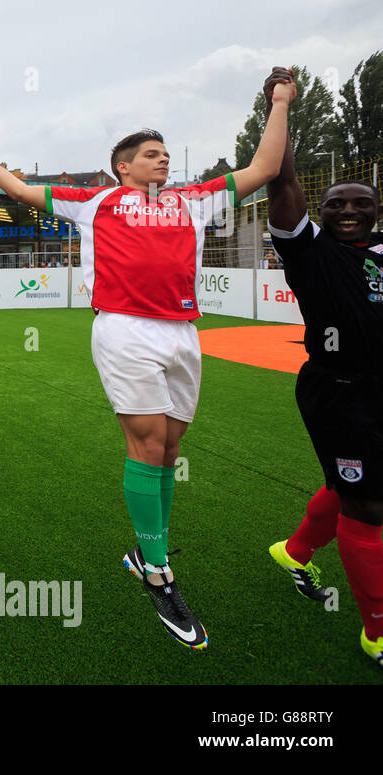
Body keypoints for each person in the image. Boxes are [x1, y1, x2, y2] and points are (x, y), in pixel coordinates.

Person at [0, 73, 296, 649]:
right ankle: (158, 572)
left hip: (182, 334)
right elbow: (21, 191)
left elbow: (265, 166)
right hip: (123, 331)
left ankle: (149, 547)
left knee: (170, 447)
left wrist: (279, 102)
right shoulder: (96, 202)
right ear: (124, 166)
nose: (163, 160)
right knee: (146, 445)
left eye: (166, 153)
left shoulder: (196, 200)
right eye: (151, 154)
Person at [259, 68, 383, 668]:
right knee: (369, 506)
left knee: (355, 488)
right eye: (337, 204)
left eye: (361, 203)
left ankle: (295, 551)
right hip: (338, 393)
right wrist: (280, 107)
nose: (349, 211)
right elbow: (282, 183)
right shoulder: (307, 247)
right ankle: (377, 632)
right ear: (322, 212)